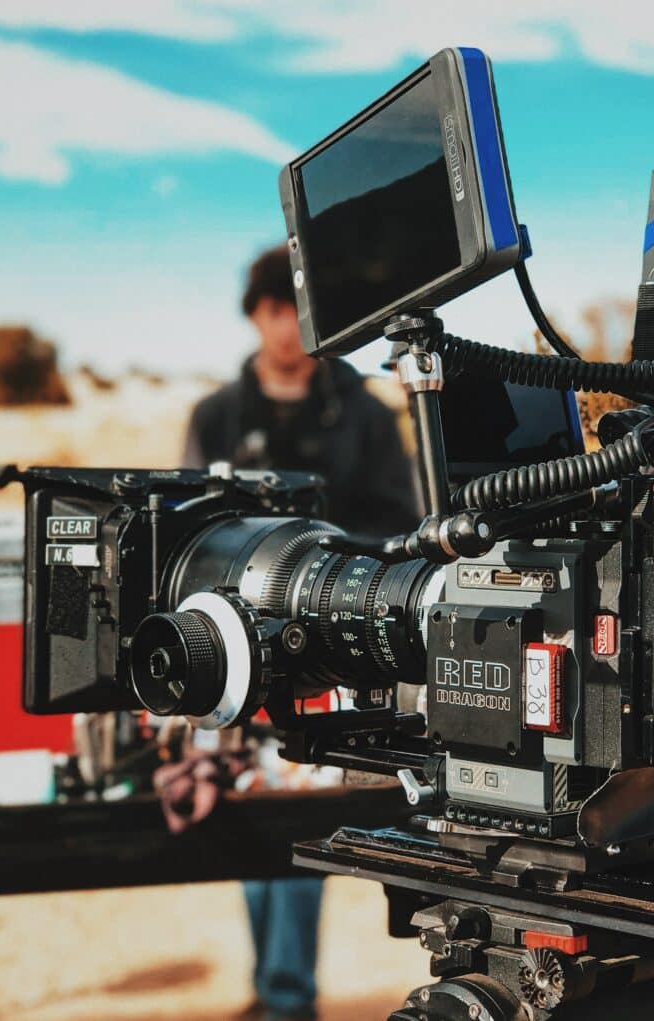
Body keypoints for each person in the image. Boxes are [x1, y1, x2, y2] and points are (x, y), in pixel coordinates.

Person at [183, 244, 418, 1021]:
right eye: (276, 309)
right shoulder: (216, 415)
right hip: (228, 640)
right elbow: (185, 535)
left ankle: (286, 995)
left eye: (301, 311)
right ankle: (275, 986)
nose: (288, 327)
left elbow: (402, 523)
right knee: (254, 813)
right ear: (255, 314)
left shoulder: (366, 412)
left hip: (331, 636)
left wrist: (326, 562)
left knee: (302, 814)